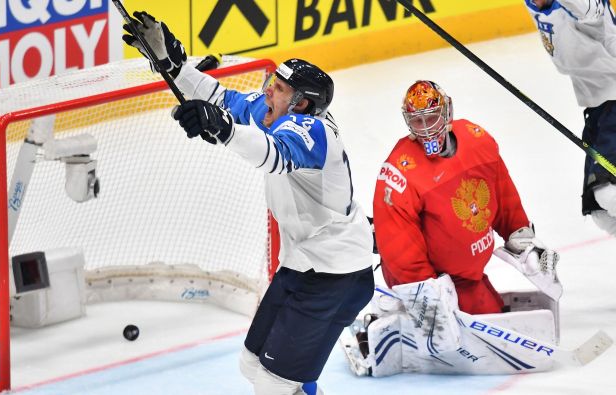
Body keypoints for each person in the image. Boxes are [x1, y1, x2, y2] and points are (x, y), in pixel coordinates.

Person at [122, 11, 375, 395]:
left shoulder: (315, 131)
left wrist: (222, 129)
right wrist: (175, 68)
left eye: (280, 89)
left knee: (273, 385)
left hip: (334, 275)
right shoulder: (279, 112)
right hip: (304, 264)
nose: (268, 91)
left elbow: (274, 153)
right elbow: (223, 99)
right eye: (273, 83)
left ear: (303, 104)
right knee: (252, 364)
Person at [372, 80, 558, 315]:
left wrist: (519, 234)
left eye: (431, 118)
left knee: (493, 316)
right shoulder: (400, 171)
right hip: (433, 282)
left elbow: (501, 190)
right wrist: (425, 288)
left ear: (447, 112)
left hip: (469, 277)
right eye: (417, 121)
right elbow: (398, 241)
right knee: (473, 339)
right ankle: (394, 321)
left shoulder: (476, 139)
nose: (426, 129)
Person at [524, 0, 616, 235]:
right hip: (597, 108)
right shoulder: (534, 4)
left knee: (609, 194)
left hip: (614, 100)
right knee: (601, 215)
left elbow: (598, 24)